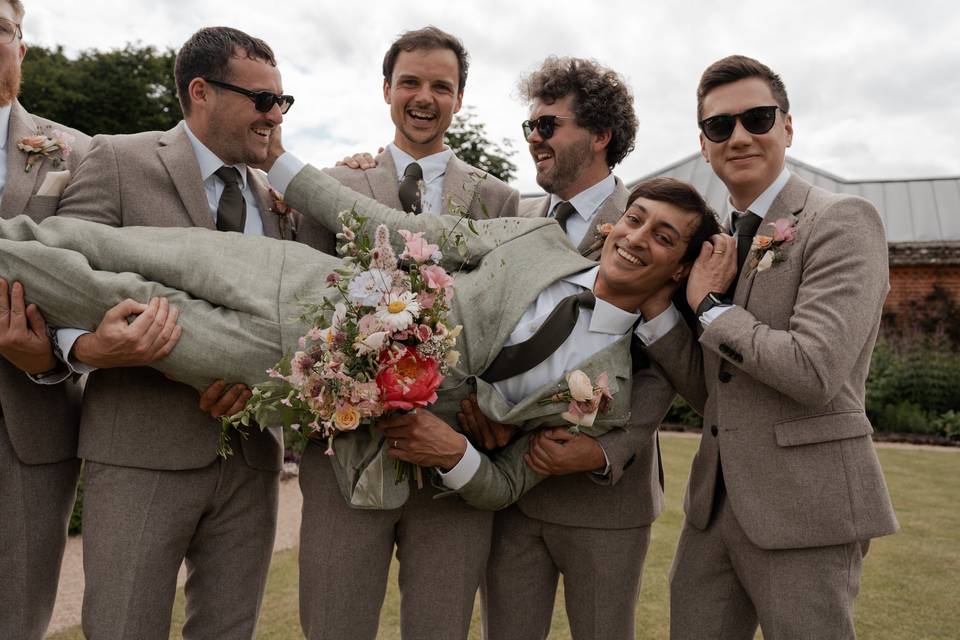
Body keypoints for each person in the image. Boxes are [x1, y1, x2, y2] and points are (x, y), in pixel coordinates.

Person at [0, 155, 715, 638]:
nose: (639, 239)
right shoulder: (534, 236)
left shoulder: (608, 393)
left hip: (298, 372)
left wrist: (458, 452)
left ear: (680, 264)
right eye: (638, 219)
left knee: (116, 300)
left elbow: (506, 481)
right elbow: (400, 232)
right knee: (97, 244)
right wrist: (282, 159)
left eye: (665, 237)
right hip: (292, 278)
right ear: (615, 222)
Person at [45, 27, 317, 639]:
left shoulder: (277, 197)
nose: (275, 115)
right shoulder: (117, 158)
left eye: (283, 102)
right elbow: (62, 284)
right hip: (140, 450)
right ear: (200, 91)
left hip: (252, 455)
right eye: (262, 100)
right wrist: (86, 349)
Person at [634, 55, 898, 639]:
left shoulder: (842, 221)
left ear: (787, 125)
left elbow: (813, 370)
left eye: (757, 117)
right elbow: (715, 393)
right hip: (713, 508)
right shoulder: (722, 245)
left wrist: (712, 310)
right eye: (719, 126)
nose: (740, 136)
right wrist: (660, 312)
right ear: (703, 145)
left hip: (807, 505)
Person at [295, 26, 519, 640]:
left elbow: (510, 314)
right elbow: (304, 302)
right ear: (386, 90)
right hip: (347, 453)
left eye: (441, 86)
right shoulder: (334, 184)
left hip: (455, 455)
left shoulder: (499, 199)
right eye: (411, 82)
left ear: (460, 98)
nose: (425, 97)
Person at [0, 1, 90, 638]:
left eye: (0, 29)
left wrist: (51, 358)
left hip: (26, 429)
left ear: (22, 48)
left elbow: (95, 285)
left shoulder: (77, 154)